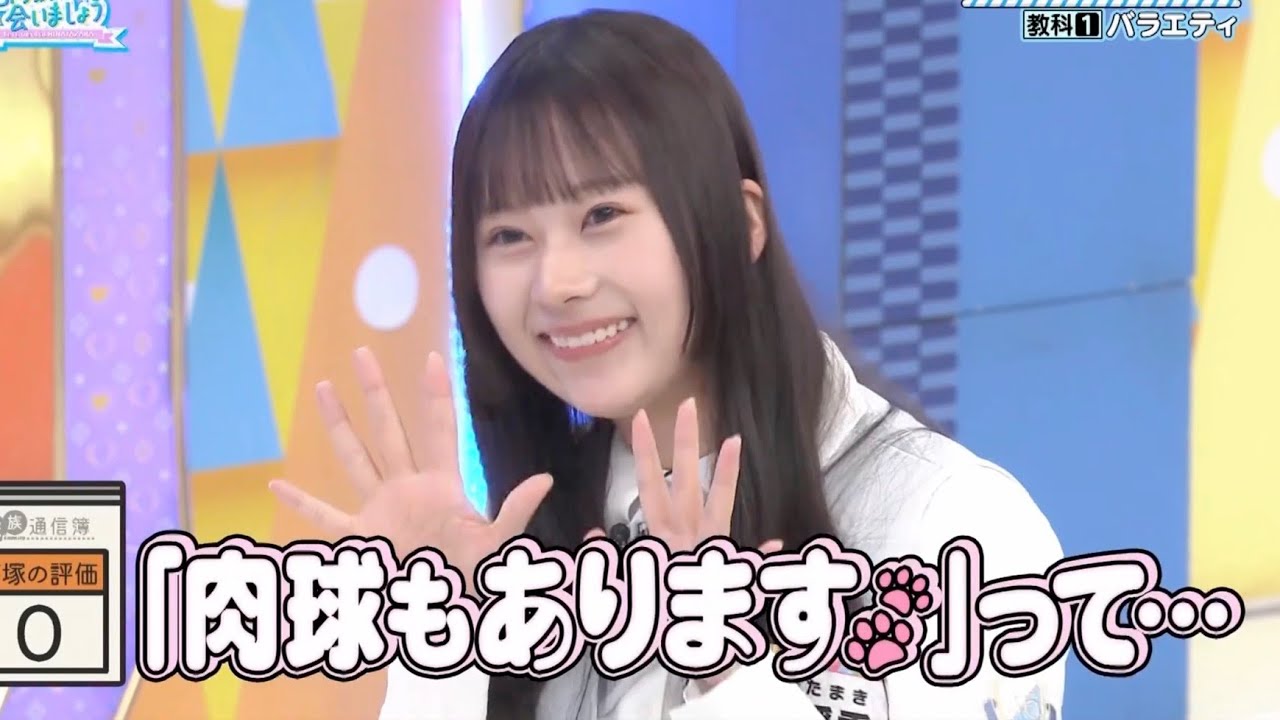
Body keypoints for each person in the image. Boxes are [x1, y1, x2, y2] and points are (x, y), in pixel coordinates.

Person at [269, 9, 1065, 720]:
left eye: (602, 214)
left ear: (742, 223)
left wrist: (729, 672)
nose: (557, 282)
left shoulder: (947, 522)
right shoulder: (533, 549)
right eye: (509, 236)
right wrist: (439, 643)